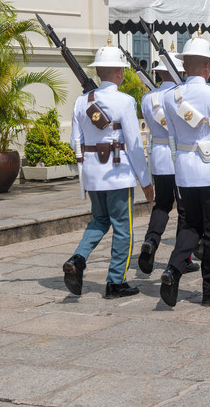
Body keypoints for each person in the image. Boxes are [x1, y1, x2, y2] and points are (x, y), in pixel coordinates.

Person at [158, 34, 210, 308]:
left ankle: (173, 269)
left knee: (189, 226)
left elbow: (172, 134)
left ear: (184, 67)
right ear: (208, 67)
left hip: (184, 170)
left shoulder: (171, 97)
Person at [63, 46, 154, 299]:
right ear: (118, 72)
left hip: (93, 175)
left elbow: (75, 143)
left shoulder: (82, 101)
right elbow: (135, 146)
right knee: (123, 228)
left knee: (100, 220)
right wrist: (145, 181)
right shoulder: (125, 102)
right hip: (117, 173)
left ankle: (78, 258)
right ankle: (116, 281)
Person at [137, 54, 199, 276]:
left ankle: (151, 241)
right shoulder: (180, 96)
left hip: (158, 158)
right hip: (179, 157)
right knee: (185, 211)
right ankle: (183, 257)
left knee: (162, 205)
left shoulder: (148, 98)